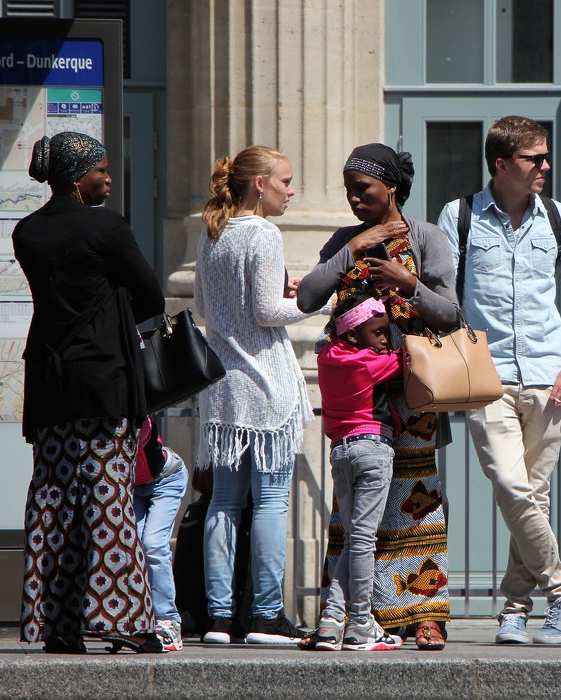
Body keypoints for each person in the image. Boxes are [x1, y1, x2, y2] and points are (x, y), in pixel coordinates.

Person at [437, 115, 561, 645]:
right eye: (536, 159)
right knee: (511, 485)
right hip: (485, 376)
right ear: (502, 164)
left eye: (545, 156)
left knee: (532, 495)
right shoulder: (459, 216)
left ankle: (513, 608)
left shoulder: (558, 218)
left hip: (550, 377)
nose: (546, 167)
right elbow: (442, 295)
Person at [296, 143, 459, 651]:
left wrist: (407, 284)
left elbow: (451, 314)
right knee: (355, 515)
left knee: (417, 506)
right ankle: (348, 616)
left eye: (362, 188)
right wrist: (355, 247)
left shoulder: (428, 238)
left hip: (410, 398)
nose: (353, 198)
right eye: (348, 189)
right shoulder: (347, 239)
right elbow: (306, 298)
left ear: (390, 186)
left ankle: (425, 616)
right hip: (359, 405)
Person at [15, 131, 166, 654]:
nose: (107, 177)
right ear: (77, 177)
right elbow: (150, 294)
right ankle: (122, 621)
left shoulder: (26, 232)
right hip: (103, 382)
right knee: (108, 500)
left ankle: (57, 623)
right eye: (100, 169)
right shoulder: (106, 226)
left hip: (50, 383)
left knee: (54, 499)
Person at [195, 145, 327, 645]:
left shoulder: (212, 234)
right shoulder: (263, 233)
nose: (290, 191)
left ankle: (218, 617)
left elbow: (208, 307)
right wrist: (318, 301)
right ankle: (267, 615)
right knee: (271, 499)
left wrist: (276, 298)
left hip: (224, 386)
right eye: (285, 182)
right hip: (266, 384)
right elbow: (270, 312)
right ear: (260, 185)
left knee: (223, 502)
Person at [307, 293, 405, 651]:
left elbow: (325, 335)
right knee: (364, 539)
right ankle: (362, 622)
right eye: (378, 332)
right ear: (352, 336)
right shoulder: (371, 363)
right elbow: (407, 355)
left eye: (385, 332)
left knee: (353, 538)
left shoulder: (326, 355)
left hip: (340, 453)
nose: (384, 339)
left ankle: (332, 621)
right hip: (373, 450)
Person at [132, 417, 188, 652]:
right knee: (130, 546)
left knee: (153, 544)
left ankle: (168, 620)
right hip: (135, 485)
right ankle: (136, 618)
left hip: (167, 478)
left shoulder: (138, 420)